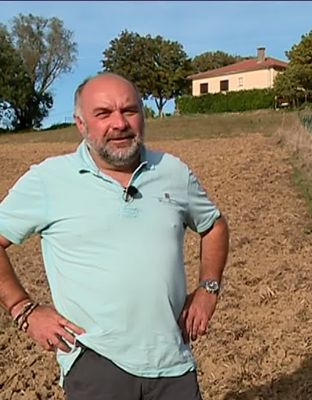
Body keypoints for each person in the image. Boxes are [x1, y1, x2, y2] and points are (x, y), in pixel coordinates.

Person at [0, 72, 229, 399]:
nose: (119, 123)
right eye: (103, 113)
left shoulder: (172, 172)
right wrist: (23, 309)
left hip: (173, 362)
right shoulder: (49, 180)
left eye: (129, 110)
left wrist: (209, 289)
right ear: (81, 124)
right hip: (96, 362)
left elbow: (215, 225)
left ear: (143, 116)